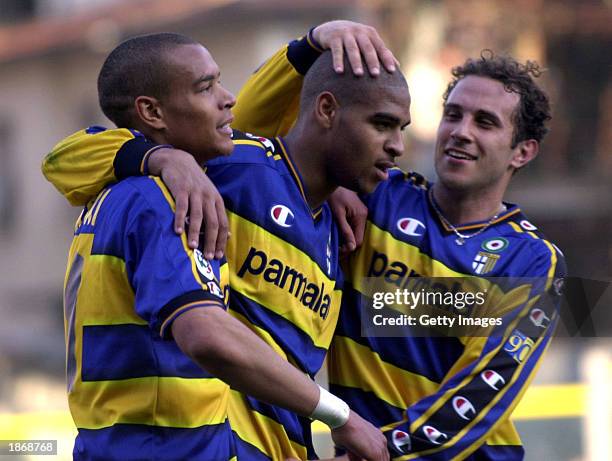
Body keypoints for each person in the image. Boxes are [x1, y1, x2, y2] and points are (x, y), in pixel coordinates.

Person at [42, 22, 408, 461]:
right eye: (382, 124)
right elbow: (59, 160)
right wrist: (307, 46)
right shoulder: (193, 184)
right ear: (327, 111)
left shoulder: (346, 222)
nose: (399, 146)